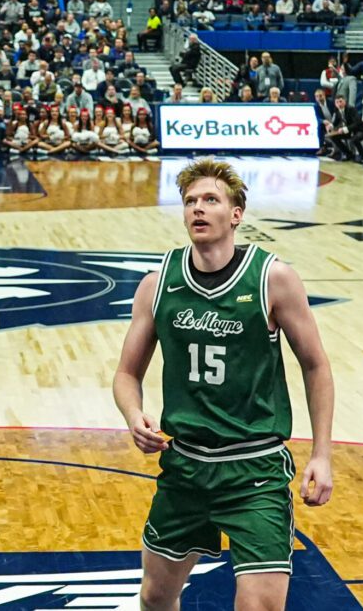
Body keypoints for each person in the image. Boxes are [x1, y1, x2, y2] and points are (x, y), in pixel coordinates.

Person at [114, 159, 335, 610]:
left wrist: (322, 454)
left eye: (210, 199)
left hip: (255, 468)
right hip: (186, 465)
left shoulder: (273, 279)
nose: (198, 208)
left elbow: (316, 366)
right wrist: (133, 414)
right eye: (190, 201)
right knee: (155, 598)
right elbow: (126, 374)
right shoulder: (158, 284)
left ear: (236, 214)